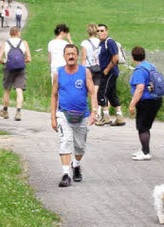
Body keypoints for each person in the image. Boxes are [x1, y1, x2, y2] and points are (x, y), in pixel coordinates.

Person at [50, 44, 97, 187]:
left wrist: (94, 111)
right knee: (65, 142)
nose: (71, 56)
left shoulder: (85, 72)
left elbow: (92, 92)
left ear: (77, 56)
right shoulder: (58, 73)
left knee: (80, 147)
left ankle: (76, 165)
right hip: (63, 114)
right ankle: (65, 174)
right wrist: (53, 117)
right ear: (64, 56)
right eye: (68, 54)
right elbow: (54, 95)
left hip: (82, 115)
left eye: (73, 54)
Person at [128, 46, 163, 161]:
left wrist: (132, 104)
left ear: (133, 57)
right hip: (156, 99)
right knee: (146, 126)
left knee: (142, 127)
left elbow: (140, 88)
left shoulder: (139, 70)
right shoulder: (150, 66)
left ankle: (146, 152)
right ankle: (143, 148)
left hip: (146, 101)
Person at [0, 26, 31, 121]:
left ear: (10, 33)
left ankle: (5, 111)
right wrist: (21, 61)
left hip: (9, 69)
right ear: (18, 33)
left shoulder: (5, 43)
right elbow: (29, 59)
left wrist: (6, 62)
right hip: (21, 69)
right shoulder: (24, 43)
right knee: (19, 90)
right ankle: (18, 112)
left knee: (7, 90)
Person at [96, 23, 126, 126]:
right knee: (111, 94)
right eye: (98, 31)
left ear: (106, 31)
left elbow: (116, 58)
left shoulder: (110, 42)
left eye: (102, 30)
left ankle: (106, 117)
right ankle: (119, 117)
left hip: (109, 72)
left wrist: (107, 69)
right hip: (107, 72)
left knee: (101, 93)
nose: (100, 33)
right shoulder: (101, 43)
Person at [80, 24, 101, 119]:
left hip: (88, 68)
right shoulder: (100, 42)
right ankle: (98, 111)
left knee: (90, 91)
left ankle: (93, 110)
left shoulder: (84, 43)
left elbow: (83, 57)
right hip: (99, 68)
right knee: (96, 91)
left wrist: (82, 70)